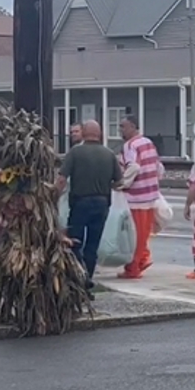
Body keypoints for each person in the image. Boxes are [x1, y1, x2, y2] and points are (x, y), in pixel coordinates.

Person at [56, 118, 119, 288]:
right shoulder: (109, 154)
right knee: (93, 244)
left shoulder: (75, 153)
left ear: (83, 133)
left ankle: (77, 275)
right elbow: (118, 182)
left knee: (75, 241)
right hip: (102, 203)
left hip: (80, 203)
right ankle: (88, 277)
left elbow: (62, 179)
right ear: (99, 134)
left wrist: (53, 197)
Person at [116, 116, 162, 279]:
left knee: (132, 236)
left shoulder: (130, 145)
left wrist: (122, 184)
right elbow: (159, 167)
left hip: (136, 198)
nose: (120, 130)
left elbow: (133, 167)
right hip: (150, 196)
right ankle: (143, 258)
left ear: (133, 127)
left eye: (123, 127)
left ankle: (133, 268)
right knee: (143, 234)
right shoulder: (148, 143)